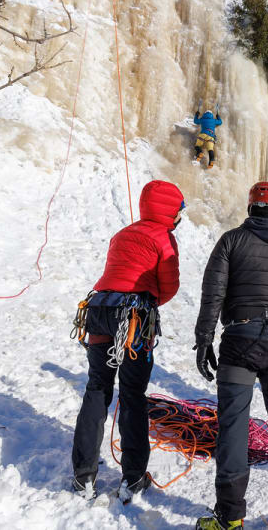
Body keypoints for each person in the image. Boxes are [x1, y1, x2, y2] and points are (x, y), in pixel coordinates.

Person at [194, 182, 268, 530]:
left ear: (250, 208)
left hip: (239, 341)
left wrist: (204, 340)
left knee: (233, 426)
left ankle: (229, 518)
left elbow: (212, 293)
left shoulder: (231, 241)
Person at [71, 180, 185, 501]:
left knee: (97, 387)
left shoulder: (122, 234)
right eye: (179, 210)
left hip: (100, 309)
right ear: (170, 211)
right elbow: (169, 287)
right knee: (133, 394)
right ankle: (133, 478)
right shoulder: (165, 240)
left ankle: (83, 477)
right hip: (135, 317)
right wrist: (148, 301)